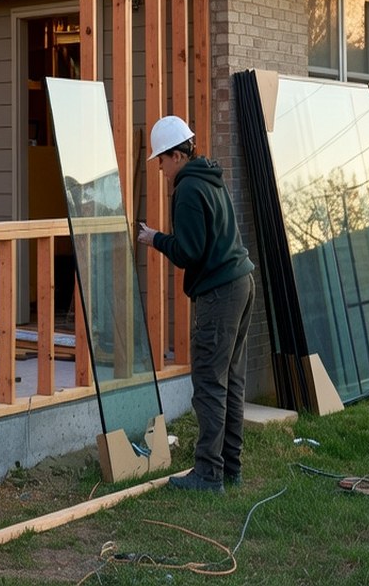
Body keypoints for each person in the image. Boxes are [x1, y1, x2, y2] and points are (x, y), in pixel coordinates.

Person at [135, 115, 254, 493]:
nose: (159, 169)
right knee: (231, 381)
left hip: (219, 292)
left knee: (208, 383)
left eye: (161, 161)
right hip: (241, 283)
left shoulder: (187, 190)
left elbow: (189, 251)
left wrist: (154, 238)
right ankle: (229, 467)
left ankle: (208, 474)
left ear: (176, 155)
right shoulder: (210, 179)